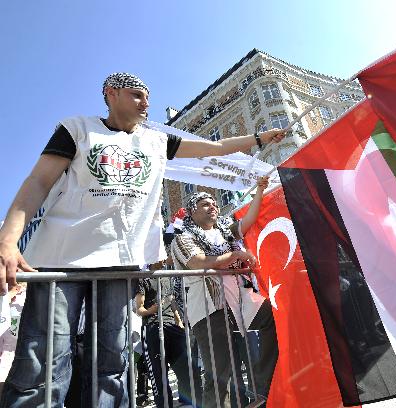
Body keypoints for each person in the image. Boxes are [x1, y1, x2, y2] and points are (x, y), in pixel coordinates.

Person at [0, 72, 285, 407]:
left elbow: (215, 148)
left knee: (111, 366)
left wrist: (258, 139)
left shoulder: (155, 141)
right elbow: (38, 182)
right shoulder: (77, 129)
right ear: (111, 94)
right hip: (62, 260)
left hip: (120, 265)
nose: (146, 103)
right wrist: (8, 240)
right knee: (44, 362)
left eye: (148, 96)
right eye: (137, 95)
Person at [170, 177, 278, 408]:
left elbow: (248, 220)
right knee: (220, 373)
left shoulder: (224, 233)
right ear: (192, 212)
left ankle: (265, 388)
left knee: (274, 316)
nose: (213, 207)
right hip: (209, 309)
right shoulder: (182, 238)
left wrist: (259, 190)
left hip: (240, 300)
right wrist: (234, 256)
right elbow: (198, 262)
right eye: (205, 204)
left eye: (214, 203)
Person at [136, 270, 202, 408]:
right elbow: (139, 309)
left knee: (188, 370)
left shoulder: (167, 275)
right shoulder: (143, 278)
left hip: (173, 327)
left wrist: (179, 321)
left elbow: (172, 302)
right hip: (152, 327)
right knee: (159, 378)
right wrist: (152, 310)